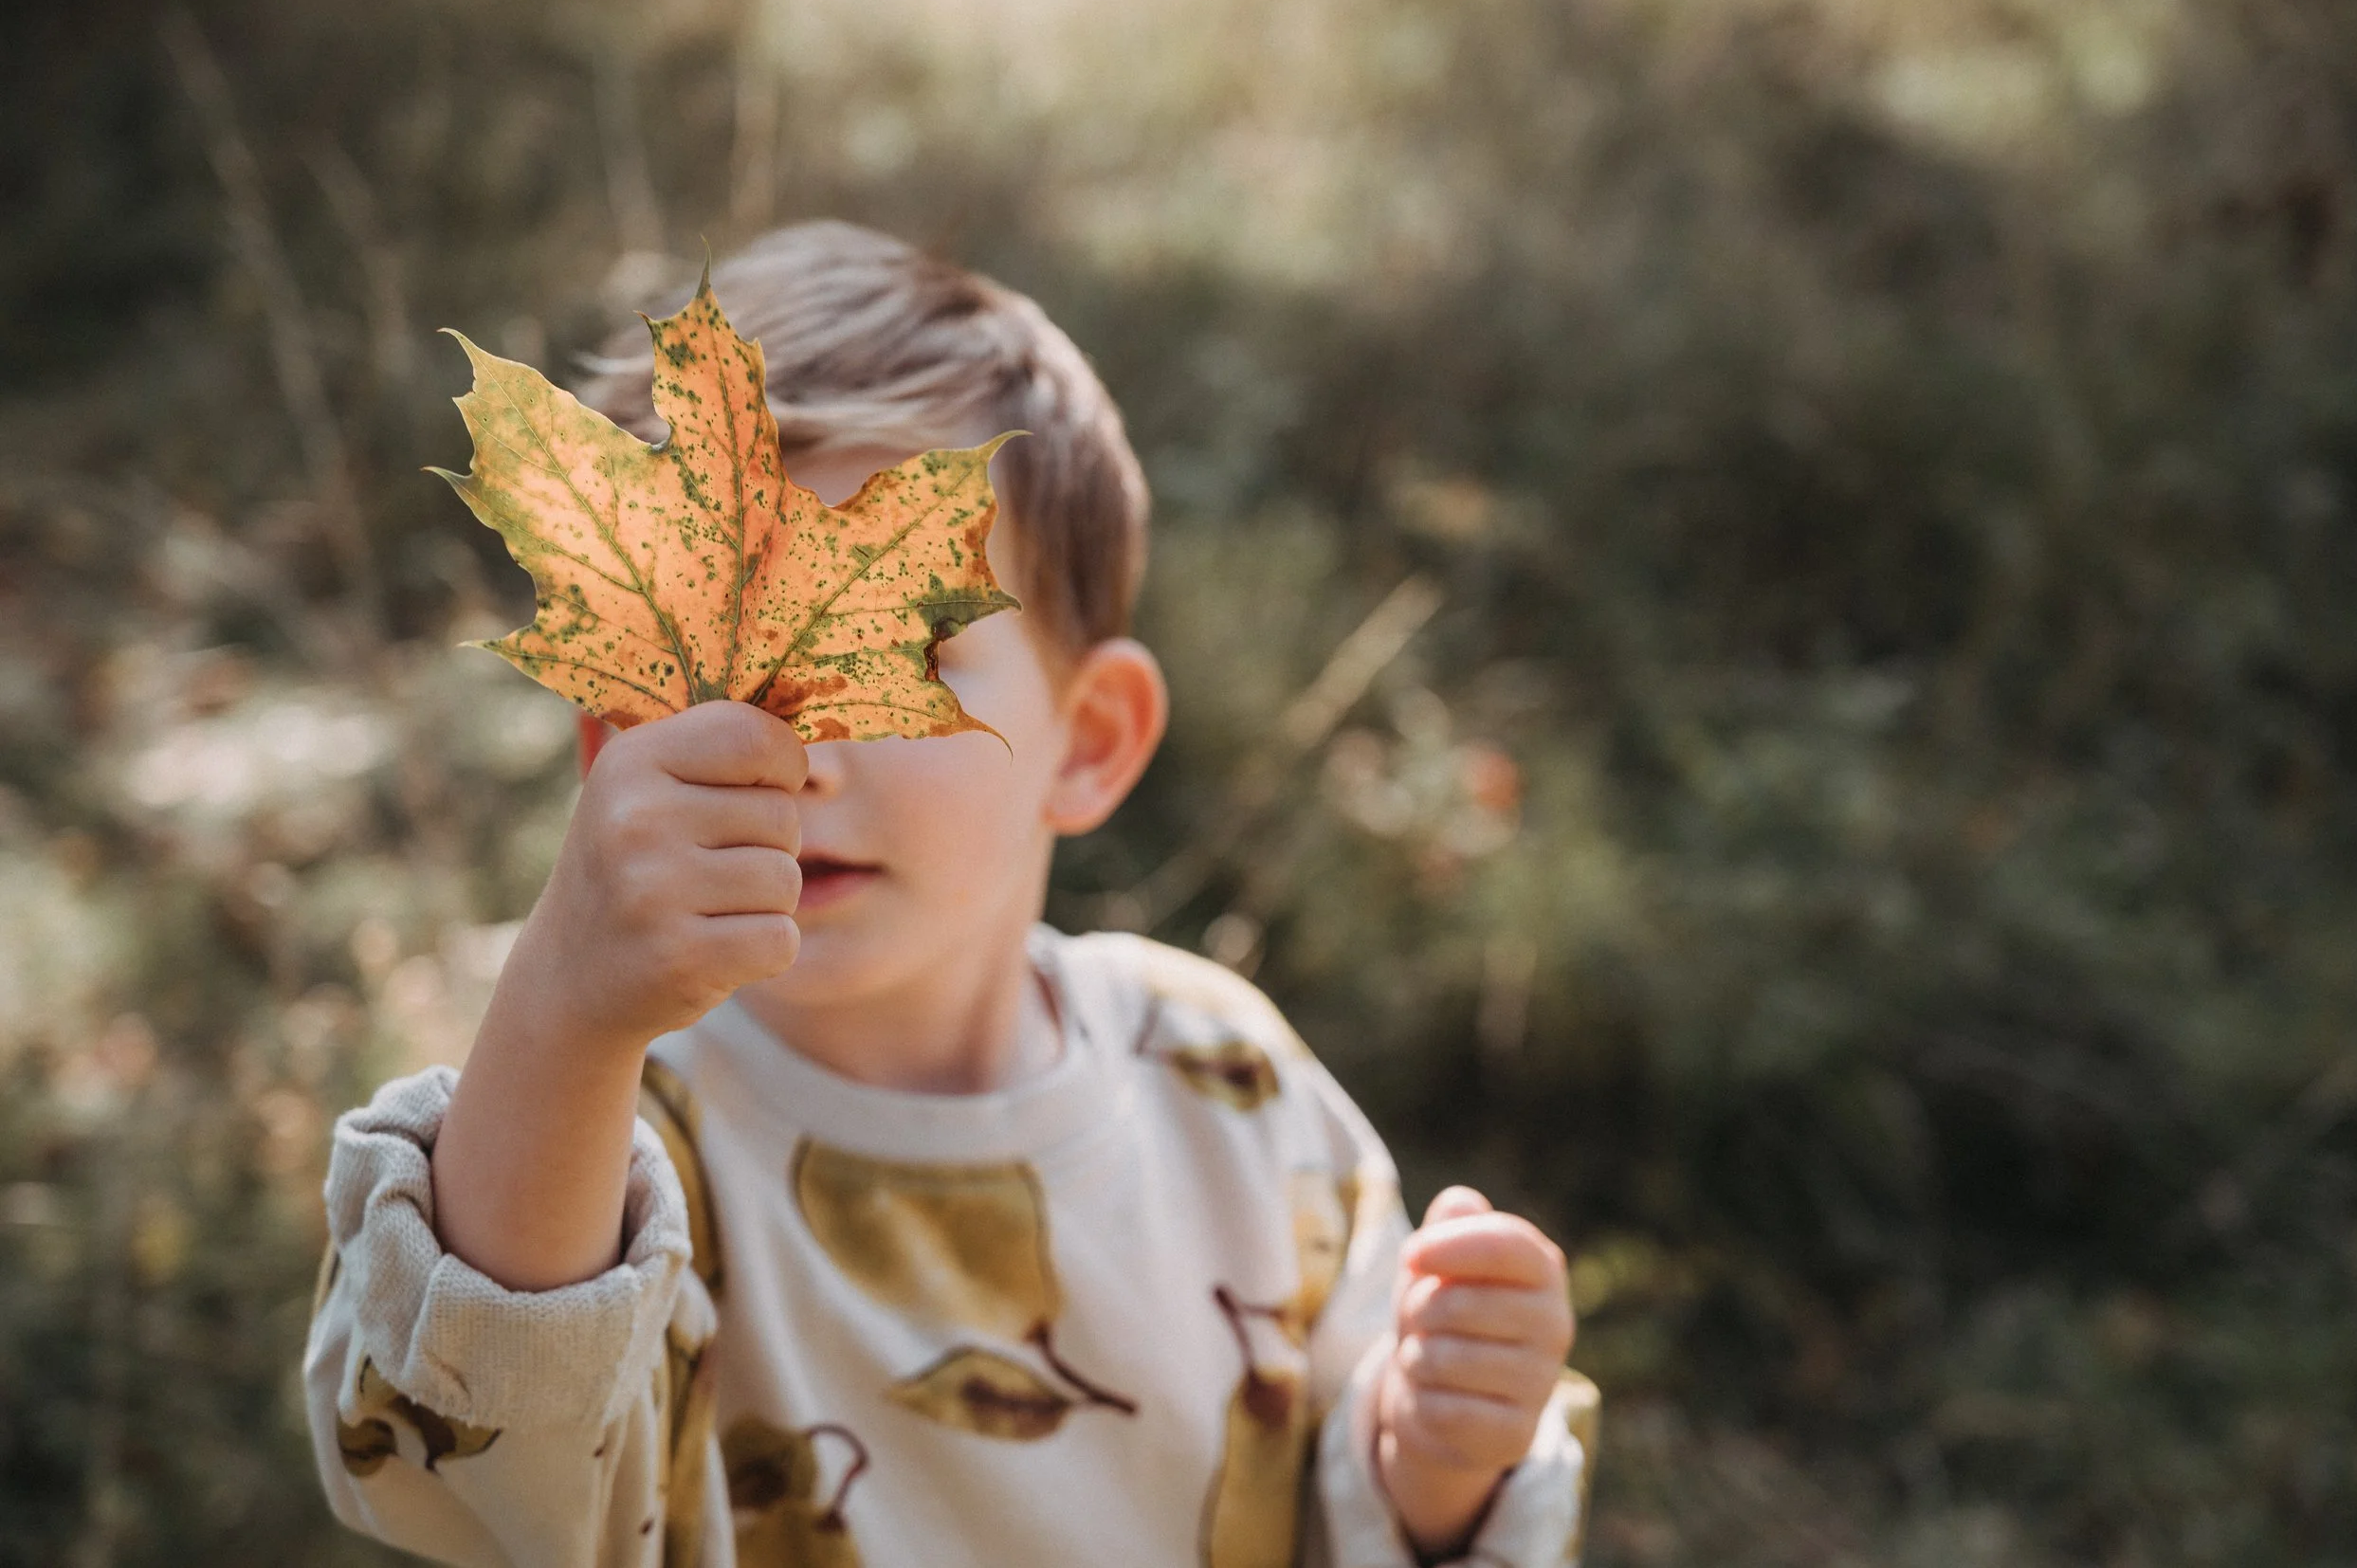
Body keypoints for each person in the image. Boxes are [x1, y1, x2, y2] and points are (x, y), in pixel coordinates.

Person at [303, 221, 1592, 1567]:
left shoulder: (1227, 1086)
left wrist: (1434, 1458)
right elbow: (461, 1475)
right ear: (618, 752)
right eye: (719, 672)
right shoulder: (612, 1147)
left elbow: (1346, 1495)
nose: (793, 751)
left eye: (896, 661)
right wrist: (566, 1002)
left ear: (1090, 740)